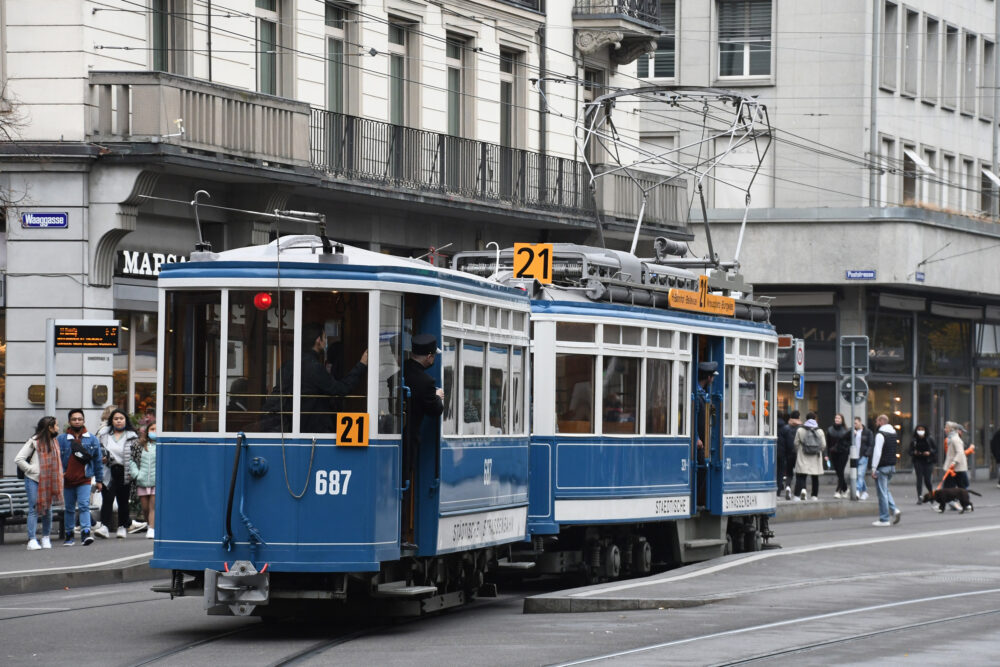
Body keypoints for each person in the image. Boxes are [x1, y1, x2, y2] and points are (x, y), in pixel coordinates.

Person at [272, 322, 368, 432]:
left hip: (290, 429)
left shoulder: (287, 365)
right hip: (314, 432)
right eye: (325, 338)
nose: (326, 341)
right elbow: (341, 389)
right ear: (318, 340)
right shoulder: (314, 367)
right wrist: (361, 364)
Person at [402, 334, 445, 548]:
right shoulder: (427, 381)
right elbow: (435, 410)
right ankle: (403, 536)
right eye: (433, 356)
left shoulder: (400, 370)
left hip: (394, 435)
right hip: (409, 439)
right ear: (429, 357)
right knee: (405, 483)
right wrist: (437, 396)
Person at [14, 416, 64, 550]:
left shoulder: (55, 441)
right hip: (34, 479)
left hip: (48, 481)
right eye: (56, 425)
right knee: (34, 508)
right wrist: (32, 470)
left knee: (48, 509)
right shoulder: (34, 441)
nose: (58, 428)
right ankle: (32, 540)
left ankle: (46, 537)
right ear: (49, 427)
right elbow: (19, 459)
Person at [57, 409, 103, 546]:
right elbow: (57, 460)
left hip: (85, 479)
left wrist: (99, 480)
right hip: (67, 480)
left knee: (84, 506)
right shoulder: (62, 439)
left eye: (79, 419)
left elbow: (98, 460)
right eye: (74, 419)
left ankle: (85, 534)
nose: (77, 421)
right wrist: (60, 474)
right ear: (69, 422)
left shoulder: (92, 439)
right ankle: (69, 535)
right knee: (69, 508)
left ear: (83, 421)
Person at [98, 409, 146, 538]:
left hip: (125, 471)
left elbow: (137, 456)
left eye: (121, 418)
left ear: (125, 420)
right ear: (111, 421)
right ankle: (104, 526)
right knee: (107, 499)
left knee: (123, 500)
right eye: (116, 418)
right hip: (108, 470)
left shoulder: (132, 436)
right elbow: (99, 451)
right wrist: (102, 458)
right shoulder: (104, 435)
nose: (118, 421)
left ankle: (122, 526)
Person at [871, 414, 902, 526]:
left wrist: (874, 468)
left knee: (882, 493)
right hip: (891, 466)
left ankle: (884, 519)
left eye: (876, 421)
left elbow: (877, 452)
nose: (875, 424)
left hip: (882, 467)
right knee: (885, 490)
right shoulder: (893, 433)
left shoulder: (880, 434)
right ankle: (894, 510)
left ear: (880, 421)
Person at [694, 361, 718, 506]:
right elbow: (691, 418)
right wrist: (696, 438)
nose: (713, 380)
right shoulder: (697, 395)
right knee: (702, 466)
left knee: (704, 466)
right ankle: (696, 500)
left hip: (703, 441)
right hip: (699, 442)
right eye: (713, 377)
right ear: (709, 378)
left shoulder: (702, 393)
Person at [129, 421, 157, 539]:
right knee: (145, 508)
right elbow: (132, 460)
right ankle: (149, 523)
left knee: (153, 506)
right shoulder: (138, 444)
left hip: (156, 481)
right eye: (152, 429)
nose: (154, 432)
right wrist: (136, 474)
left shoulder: (162, 445)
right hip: (142, 481)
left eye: (156, 429)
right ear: (147, 431)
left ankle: (152, 528)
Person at [793, 412, 825, 500]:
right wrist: (817, 450)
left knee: (801, 476)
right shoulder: (820, 431)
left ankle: (797, 495)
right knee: (815, 477)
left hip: (803, 455)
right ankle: (814, 496)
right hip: (815, 457)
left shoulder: (800, 430)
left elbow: (795, 443)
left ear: (806, 419)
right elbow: (823, 445)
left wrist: (799, 450)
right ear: (815, 419)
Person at [909, 424, 937, 503]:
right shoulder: (914, 440)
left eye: (922, 429)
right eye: (919, 429)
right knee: (919, 479)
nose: (920, 431)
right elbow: (910, 451)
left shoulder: (930, 439)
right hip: (918, 460)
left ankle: (931, 494)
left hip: (928, 461)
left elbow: (935, 449)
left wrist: (929, 452)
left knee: (927, 479)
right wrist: (914, 452)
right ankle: (920, 497)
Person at [826, 413, 851, 499]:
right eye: (836, 418)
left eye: (839, 418)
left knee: (840, 471)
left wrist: (844, 448)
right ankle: (846, 489)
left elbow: (849, 443)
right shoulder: (830, 430)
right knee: (838, 472)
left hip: (843, 453)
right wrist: (827, 454)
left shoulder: (846, 430)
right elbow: (828, 443)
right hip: (833, 453)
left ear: (842, 420)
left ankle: (838, 491)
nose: (837, 419)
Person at [942, 421, 970, 493]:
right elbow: (956, 453)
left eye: (946, 428)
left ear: (951, 429)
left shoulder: (955, 439)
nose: (945, 429)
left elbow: (959, 452)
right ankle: (959, 501)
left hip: (955, 467)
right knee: (959, 485)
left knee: (960, 485)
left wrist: (954, 462)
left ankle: (963, 502)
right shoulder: (951, 439)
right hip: (954, 466)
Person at [853, 417, 873, 500]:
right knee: (859, 475)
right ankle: (865, 492)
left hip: (863, 456)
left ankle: (857, 490)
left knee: (860, 474)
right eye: (854, 423)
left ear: (860, 422)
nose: (855, 425)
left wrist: (866, 454)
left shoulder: (867, 432)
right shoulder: (853, 432)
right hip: (855, 456)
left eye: (856, 423)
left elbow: (871, 444)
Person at [776, 411, 788, 498]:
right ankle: (778, 489)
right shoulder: (785, 428)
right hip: (782, 452)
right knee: (780, 471)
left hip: (772, 452)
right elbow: (789, 442)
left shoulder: (770, 426)